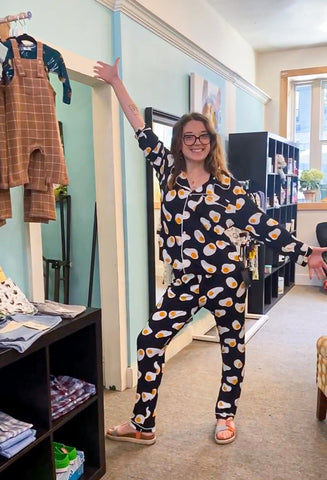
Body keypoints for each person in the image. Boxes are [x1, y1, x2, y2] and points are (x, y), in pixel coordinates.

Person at [93, 58, 327, 445]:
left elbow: (262, 224)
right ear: (179, 141)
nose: (196, 141)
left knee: (231, 347)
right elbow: (138, 123)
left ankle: (225, 415)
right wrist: (116, 82)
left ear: (211, 141)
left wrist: (306, 252)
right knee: (149, 341)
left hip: (225, 279)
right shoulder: (166, 170)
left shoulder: (228, 188)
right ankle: (142, 423)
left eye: (203, 136)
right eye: (189, 136)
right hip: (184, 281)